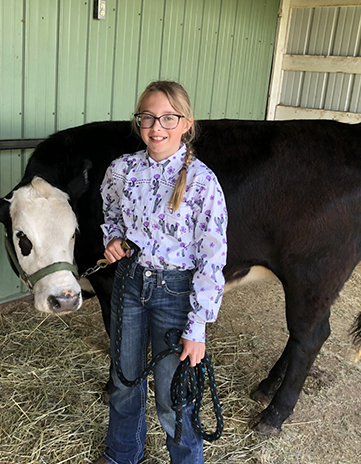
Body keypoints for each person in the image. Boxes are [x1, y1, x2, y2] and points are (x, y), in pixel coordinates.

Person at [94, 81, 228, 464]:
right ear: (138, 121)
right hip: (130, 284)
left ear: (186, 123)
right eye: (148, 118)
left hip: (177, 293)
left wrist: (198, 326)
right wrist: (114, 239)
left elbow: (212, 255)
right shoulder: (122, 170)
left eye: (168, 118)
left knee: (175, 394)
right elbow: (110, 211)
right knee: (124, 380)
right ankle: (123, 454)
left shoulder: (202, 182)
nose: (157, 127)